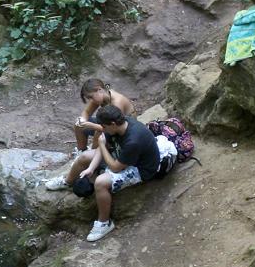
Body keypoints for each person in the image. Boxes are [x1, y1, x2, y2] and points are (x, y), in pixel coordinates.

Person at [44, 104, 174, 242]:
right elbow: (103, 145)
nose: (102, 129)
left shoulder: (133, 140)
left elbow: (115, 167)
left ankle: (104, 223)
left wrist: (101, 145)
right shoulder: (116, 126)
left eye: (103, 127)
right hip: (122, 157)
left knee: (100, 182)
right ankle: (67, 181)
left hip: (140, 168)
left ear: (112, 124)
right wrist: (91, 168)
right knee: (84, 157)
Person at [72, 78, 134, 153]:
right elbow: (87, 112)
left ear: (99, 89)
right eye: (89, 98)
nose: (91, 101)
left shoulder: (117, 102)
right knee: (78, 125)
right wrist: (82, 120)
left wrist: (91, 125)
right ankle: (81, 151)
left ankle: (91, 155)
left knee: (98, 133)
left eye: (91, 97)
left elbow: (115, 127)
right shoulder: (101, 96)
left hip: (124, 130)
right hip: (109, 124)